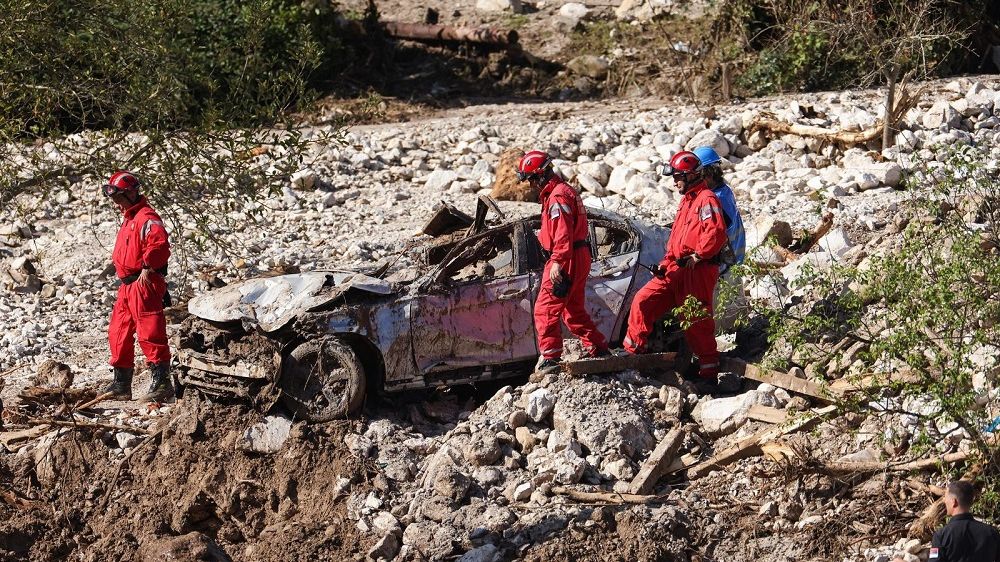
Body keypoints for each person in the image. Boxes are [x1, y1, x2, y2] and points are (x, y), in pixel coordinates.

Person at [623, 150, 728, 381]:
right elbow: (677, 240)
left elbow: (716, 233)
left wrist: (698, 256)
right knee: (643, 301)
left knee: (695, 320)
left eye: (678, 176)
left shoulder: (706, 199)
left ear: (692, 175)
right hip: (676, 267)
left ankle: (709, 373)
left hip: (696, 270)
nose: (675, 181)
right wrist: (665, 263)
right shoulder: (687, 201)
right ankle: (631, 355)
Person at [516, 150, 609, 374]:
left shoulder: (557, 197)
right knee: (573, 311)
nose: (529, 185)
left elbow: (563, 233)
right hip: (575, 255)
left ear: (539, 175)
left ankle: (550, 358)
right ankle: (599, 348)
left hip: (566, 257)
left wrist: (557, 260)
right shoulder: (561, 191)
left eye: (530, 179)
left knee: (544, 309)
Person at [101, 171, 175, 402]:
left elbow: (160, 245)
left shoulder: (146, 217)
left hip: (143, 283)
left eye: (120, 198)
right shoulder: (129, 217)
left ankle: (162, 383)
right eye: (114, 199)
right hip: (127, 285)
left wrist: (148, 266)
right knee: (118, 331)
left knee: (150, 332)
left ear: (132, 193)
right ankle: (121, 384)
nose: (117, 203)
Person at [692, 146, 745, 272]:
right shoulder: (723, 190)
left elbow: (714, 235)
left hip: (726, 264)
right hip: (731, 258)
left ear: (708, 175)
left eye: (695, 175)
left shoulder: (717, 199)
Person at [928, 480, 1000, 562]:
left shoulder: (941, 536)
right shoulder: (991, 533)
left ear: (954, 502)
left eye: (945, 497)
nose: (944, 501)